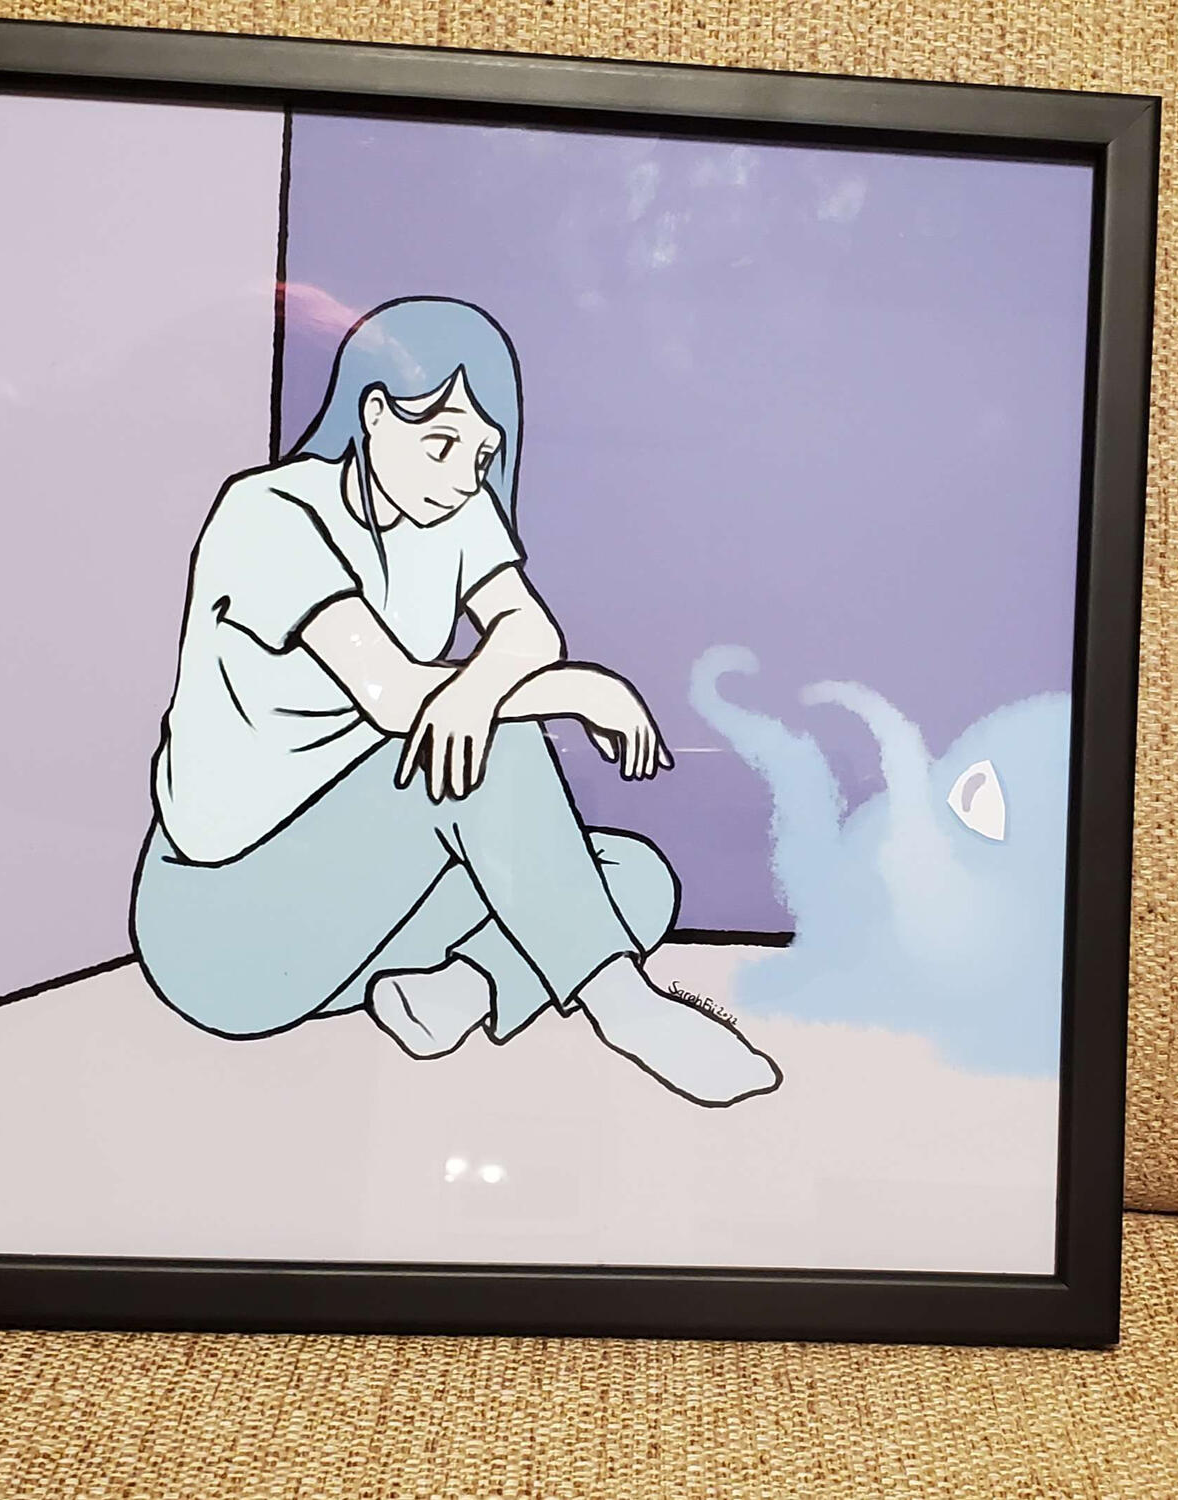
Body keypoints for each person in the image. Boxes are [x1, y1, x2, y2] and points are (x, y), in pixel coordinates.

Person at [130, 296, 781, 1107]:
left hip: (349, 928)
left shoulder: (452, 508)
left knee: (634, 876)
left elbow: (526, 628)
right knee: (490, 749)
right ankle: (627, 1011)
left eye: (480, 455)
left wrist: (479, 689)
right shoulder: (269, 515)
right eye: (439, 443)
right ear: (374, 412)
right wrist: (574, 691)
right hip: (221, 924)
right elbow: (395, 696)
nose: (461, 477)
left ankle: (454, 993)